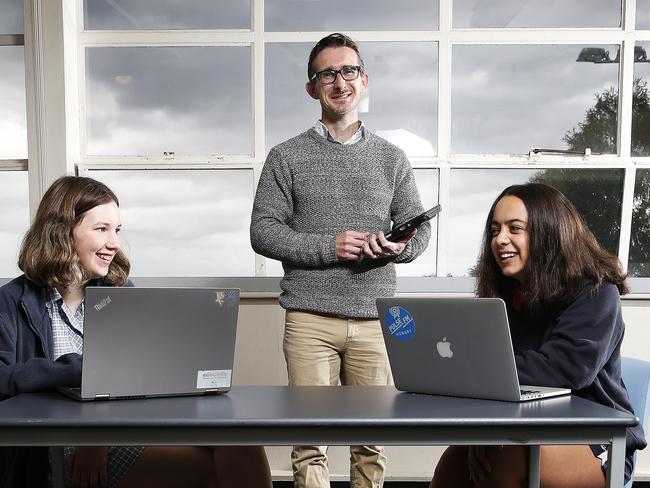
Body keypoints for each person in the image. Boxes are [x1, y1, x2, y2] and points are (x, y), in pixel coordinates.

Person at [0, 176, 272, 488]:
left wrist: (99, 434)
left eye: (116, 230)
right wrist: (78, 371)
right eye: (101, 229)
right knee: (208, 470)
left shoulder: (120, 291)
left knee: (241, 440)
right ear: (63, 230)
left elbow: (135, 377)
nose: (114, 242)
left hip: (117, 430)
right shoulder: (12, 301)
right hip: (50, 447)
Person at [250, 33, 431, 488]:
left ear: (363, 80)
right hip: (309, 319)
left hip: (375, 318)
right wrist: (331, 247)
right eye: (327, 73)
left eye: (348, 71)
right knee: (309, 441)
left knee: (371, 440)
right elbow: (263, 232)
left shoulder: (392, 158)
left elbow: (419, 230)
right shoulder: (285, 157)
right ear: (312, 87)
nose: (339, 81)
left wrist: (398, 247)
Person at [430, 183, 646, 488]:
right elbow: (498, 378)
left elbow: (565, 369)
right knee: (454, 462)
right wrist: (482, 432)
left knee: (515, 456)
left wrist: (474, 371)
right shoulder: (506, 296)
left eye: (514, 228)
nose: (500, 239)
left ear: (549, 232)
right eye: (494, 230)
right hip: (522, 429)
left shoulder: (597, 291)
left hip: (595, 441)